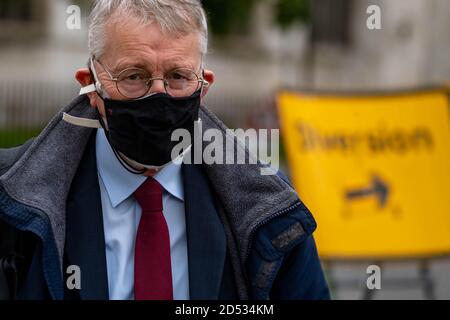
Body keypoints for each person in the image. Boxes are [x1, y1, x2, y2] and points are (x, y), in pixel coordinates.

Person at [0, 0, 330, 300]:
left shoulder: (268, 207)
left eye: (177, 76)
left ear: (203, 87)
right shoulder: (13, 199)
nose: (159, 97)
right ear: (91, 85)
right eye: (134, 76)